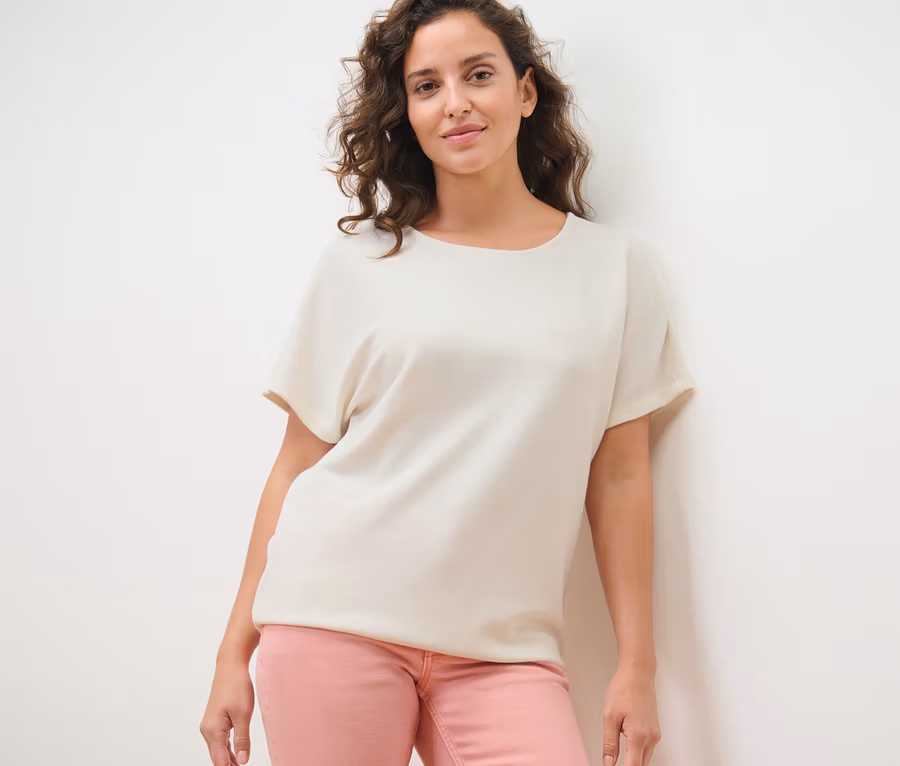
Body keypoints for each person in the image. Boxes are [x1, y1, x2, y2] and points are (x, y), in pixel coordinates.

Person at [199, 1, 696, 764]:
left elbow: (621, 476)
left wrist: (638, 664)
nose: (455, 102)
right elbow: (295, 466)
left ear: (524, 92)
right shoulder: (361, 264)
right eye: (426, 86)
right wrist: (233, 654)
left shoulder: (615, 269)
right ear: (407, 113)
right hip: (333, 619)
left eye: (478, 74)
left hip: (506, 651)